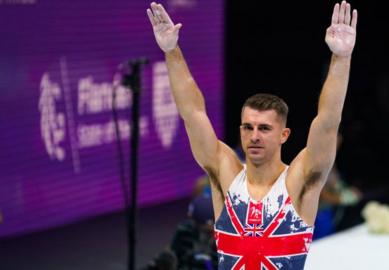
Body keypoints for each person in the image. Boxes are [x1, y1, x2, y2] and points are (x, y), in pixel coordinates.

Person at [147, 1, 357, 269]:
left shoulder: (299, 180)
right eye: (248, 127)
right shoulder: (226, 173)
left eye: (265, 128)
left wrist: (341, 58)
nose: (254, 135)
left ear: (284, 134)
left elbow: (328, 121)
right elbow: (193, 113)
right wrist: (171, 51)